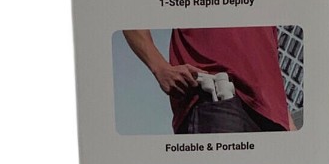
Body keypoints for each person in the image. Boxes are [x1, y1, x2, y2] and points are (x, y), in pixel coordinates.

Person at [122, 26, 298, 134]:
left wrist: (287, 121)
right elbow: (132, 6)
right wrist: (160, 67)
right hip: (217, 96)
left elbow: (268, 67)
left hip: (274, 119)